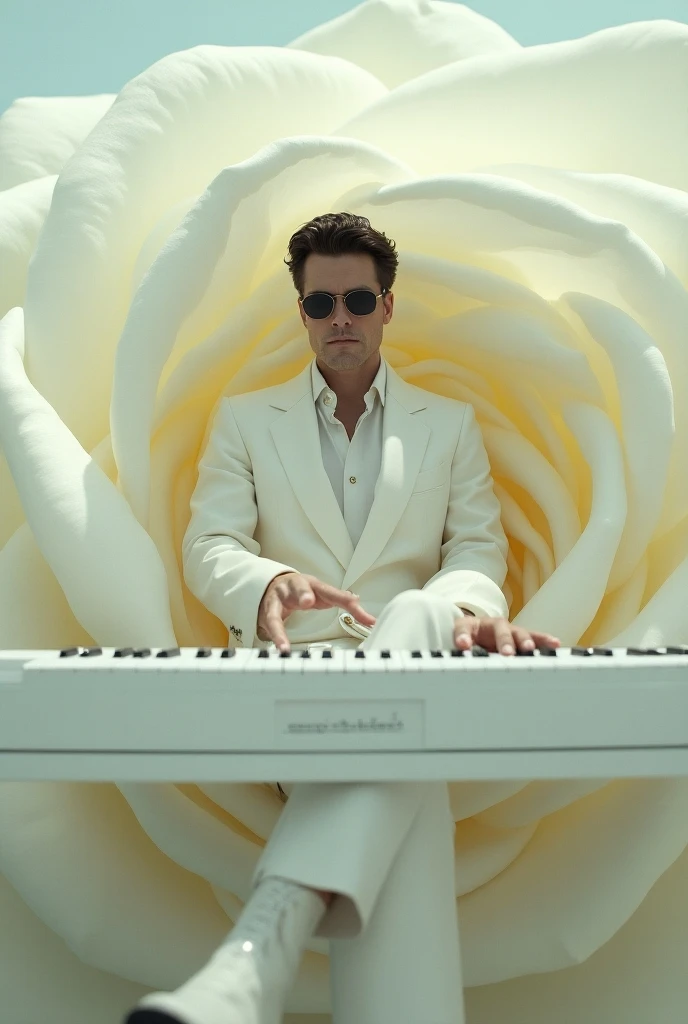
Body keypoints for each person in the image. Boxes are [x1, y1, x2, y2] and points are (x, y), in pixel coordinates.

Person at [125, 212, 559, 1024]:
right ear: (302, 312)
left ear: (387, 306)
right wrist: (270, 581)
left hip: (423, 670)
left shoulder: (451, 425)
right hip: (296, 693)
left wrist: (460, 609)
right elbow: (209, 543)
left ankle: (257, 953)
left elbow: (477, 551)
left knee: (424, 610)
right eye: (320, 304)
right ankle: (257, 957)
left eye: (357, 299)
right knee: (407, 783)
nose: (340, 319)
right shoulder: (247, 420)